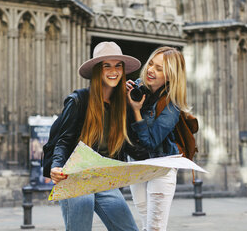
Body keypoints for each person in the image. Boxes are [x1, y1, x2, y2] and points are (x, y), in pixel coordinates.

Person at [49, 41, 141, 231]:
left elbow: (136, 148)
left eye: (118, 66)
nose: (113, 71)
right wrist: (56, 165)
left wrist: (137, 110)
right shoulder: (78, 100)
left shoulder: (123, 106)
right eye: (106, 65)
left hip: (102, 177)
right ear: (97, 70)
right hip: (75, 175)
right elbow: (63, 139)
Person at [125, 47, 190, 231]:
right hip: (136, 162)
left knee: (155, 227)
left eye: (159, 69)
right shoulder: (135, 88)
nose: (151, 70)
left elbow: (151, 141)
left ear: (170, 76)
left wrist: (136, 110)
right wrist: (120, 99)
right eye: (151, 64)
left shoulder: (172, 105)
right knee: (145, 220)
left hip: (162, 164)